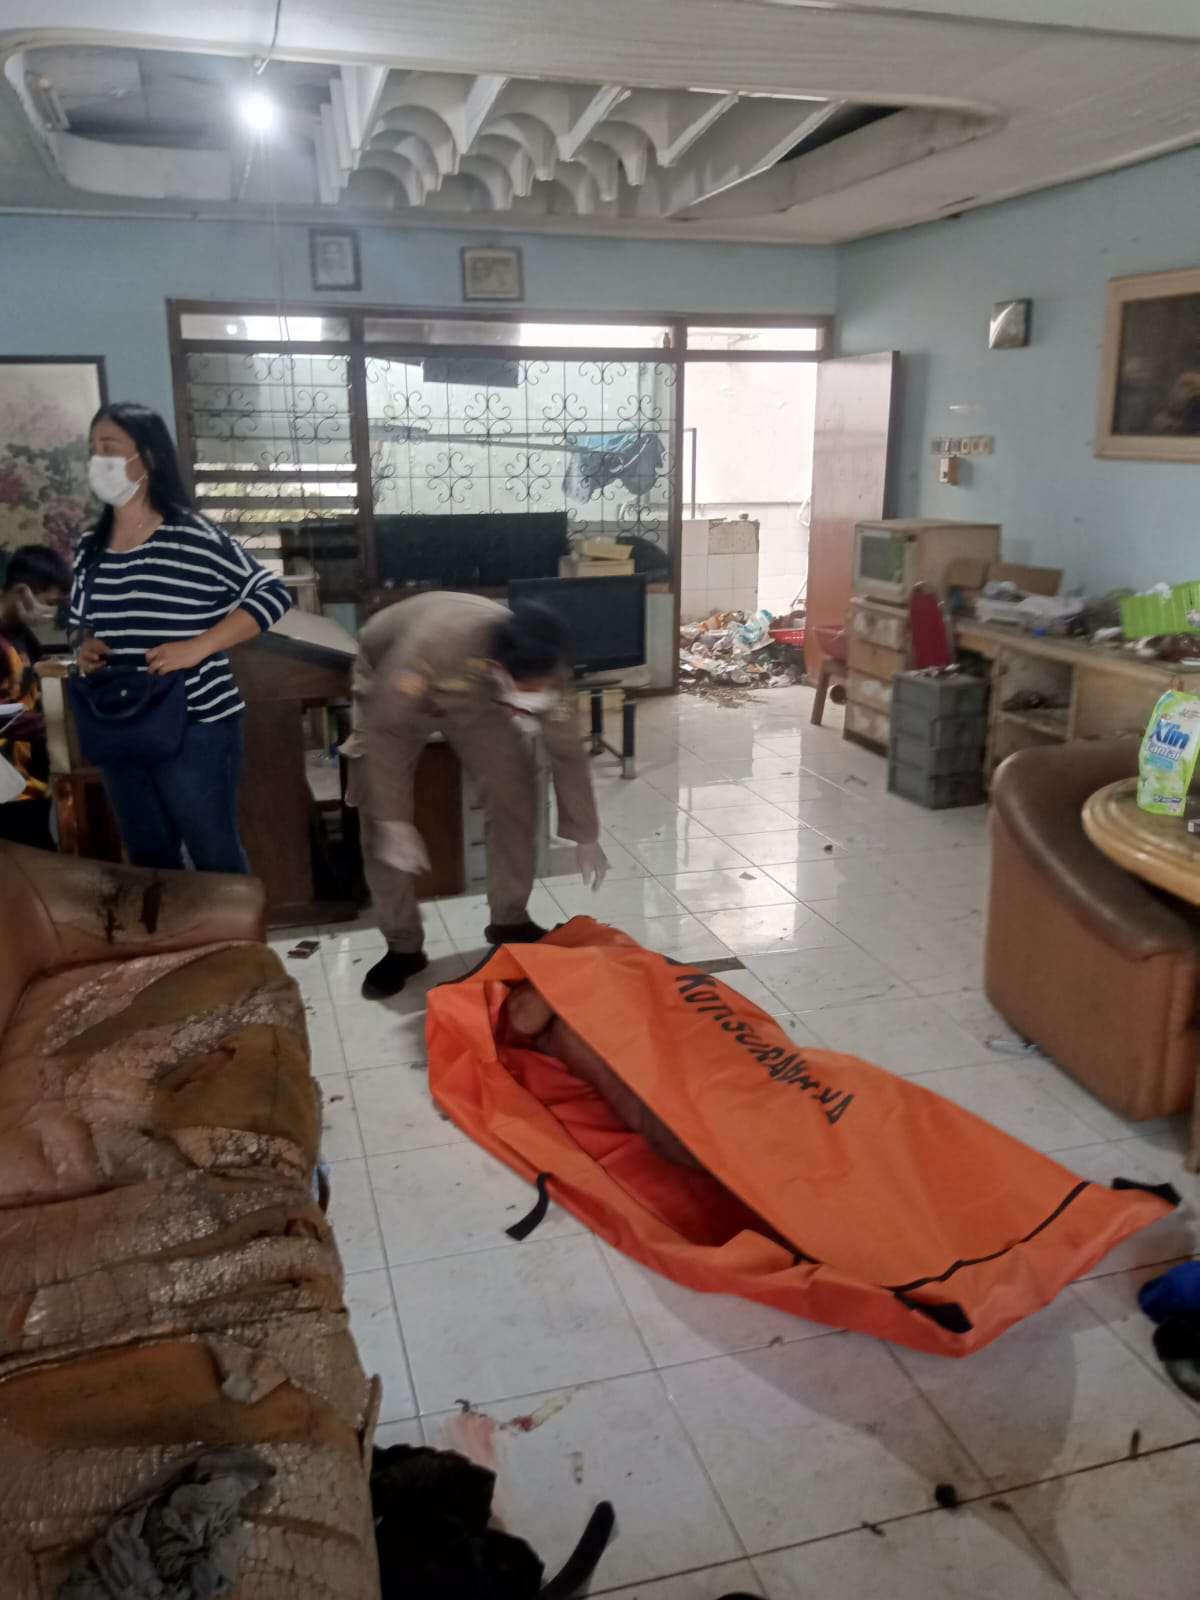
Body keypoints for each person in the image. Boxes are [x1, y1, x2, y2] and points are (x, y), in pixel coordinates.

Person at [344, 590, 608, 999]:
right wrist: (395, 822)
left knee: (515, 790)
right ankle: (402, 946)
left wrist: (586, 833)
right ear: (498, 668)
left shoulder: (550, 668)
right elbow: (387, 729)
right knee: (380, 811)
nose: (530, 704)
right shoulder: (430, 647)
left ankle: (509, 919)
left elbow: (567, 751)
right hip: (393, 680)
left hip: (480, 695)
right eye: (524, 693)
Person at [69, 402, 291, 874]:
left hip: (197, 723)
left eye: (109, 448)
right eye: (92, 451)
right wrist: (84, 645)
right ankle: (175, 947)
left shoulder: (193, 535)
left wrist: (199, 647)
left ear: (146, 458)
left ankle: (235, 945)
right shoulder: (89, 547)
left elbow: (271, 593)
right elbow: (79, 621)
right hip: (121, 720)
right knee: (149, 855)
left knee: (213, 851)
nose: (98, 460)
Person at [0, 544, 72, 850]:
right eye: (50, 602)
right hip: (6, 784)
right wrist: (48, 724)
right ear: (22, 591)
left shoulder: (23, 636)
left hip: (31, 780)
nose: (53, 612)